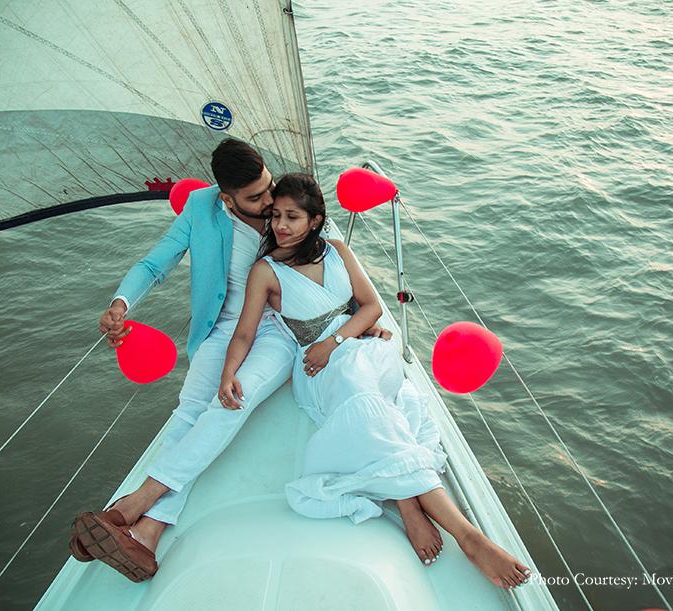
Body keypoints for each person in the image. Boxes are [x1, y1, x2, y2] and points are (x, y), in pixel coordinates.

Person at [68, 139, 390, 582]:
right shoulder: (200, 209)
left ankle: (134, 505)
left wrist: (362, 322)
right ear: (227, 198)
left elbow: (327, 265)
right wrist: (120, 305)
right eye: (256, 198)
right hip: (224, 329)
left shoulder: (287, 206)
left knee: (233, 401)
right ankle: (147, 534)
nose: (269, 202)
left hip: (279, 330)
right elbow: (155, 264)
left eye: (269, 186)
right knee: (188, 413)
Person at [218, 174, 531, 589]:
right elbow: (244, 333)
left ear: (315, 220)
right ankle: (462, 532)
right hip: (317, 369)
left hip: (361, 347)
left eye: (292, 216)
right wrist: (229, 373)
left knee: (363, 389)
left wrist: (335, 341)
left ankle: (417, 508)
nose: (280, 225)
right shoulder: (266, 270)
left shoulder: (338, 251)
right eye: (275, 215)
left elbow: (370, 308)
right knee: (361, 396)